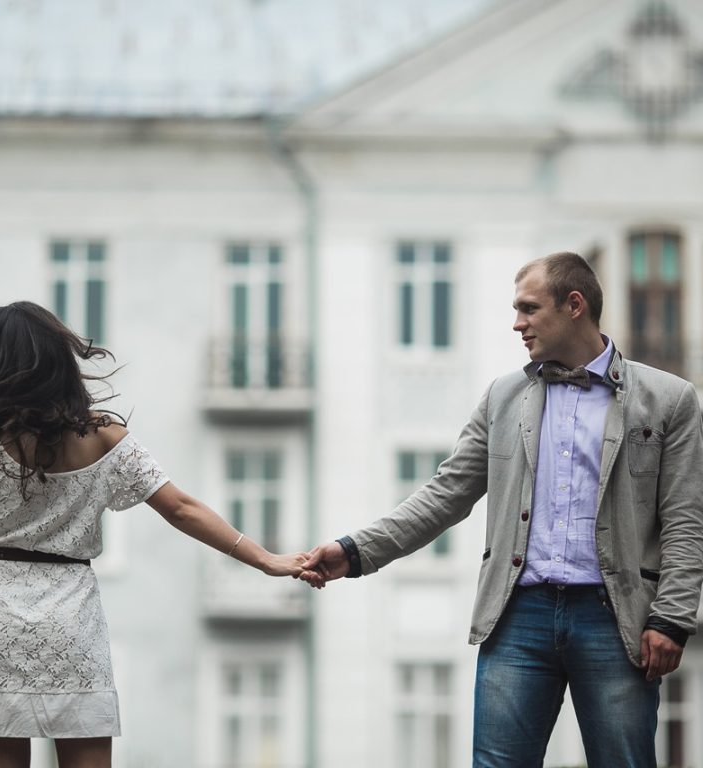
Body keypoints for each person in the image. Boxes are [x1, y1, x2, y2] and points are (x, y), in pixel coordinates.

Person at [301, 252, 703, 768]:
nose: (517, 323)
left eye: (529, 309)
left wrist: (671, 620)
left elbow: (686, 520)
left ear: (574, 305)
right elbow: (445, 494)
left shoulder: (669, 399)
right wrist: (355, 551)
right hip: (519, 616)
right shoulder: (502, 397)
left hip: (616, 619)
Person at [0, 301, 308, 768]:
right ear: (58, 361)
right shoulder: (104, 436)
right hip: (72, 626)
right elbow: (181, 508)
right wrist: (265, 559)